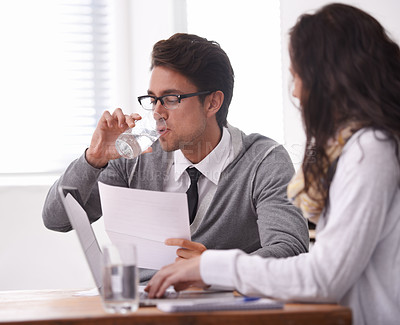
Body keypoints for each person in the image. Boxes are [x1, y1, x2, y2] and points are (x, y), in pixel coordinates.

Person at [144, 4, 400, 325]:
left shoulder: (370, 150)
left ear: (329, 79)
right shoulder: (361, 148)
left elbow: (322, 276)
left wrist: (209, 266)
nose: (295, 91)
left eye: (298, 77)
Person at [42, 33, 309, 283]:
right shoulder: (134, 157)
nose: (157, 112)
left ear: (213, 103)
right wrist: (94, 158)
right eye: (152, 99)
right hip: (144, 310)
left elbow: (291, 251)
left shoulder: (263, 161)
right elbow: (57, 219)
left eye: (170, 99)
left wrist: (212, 269)